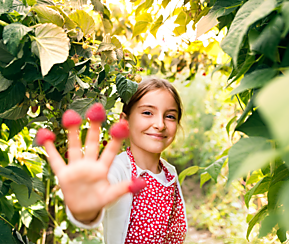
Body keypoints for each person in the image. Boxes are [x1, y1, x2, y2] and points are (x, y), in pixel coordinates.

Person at [41, 77, 187, 244]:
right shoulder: (117, 170)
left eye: (170, 116)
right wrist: (85, 209)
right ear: (125, 121)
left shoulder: (169, 173)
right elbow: (98, 198)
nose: (160, 124)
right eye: (147, 112)